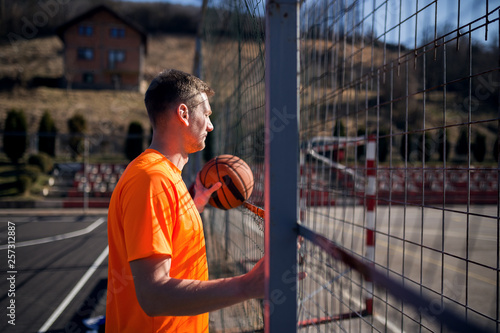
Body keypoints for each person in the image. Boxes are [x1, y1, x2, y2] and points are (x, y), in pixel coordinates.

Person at [105, 69, 264, 332]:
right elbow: (154, 296)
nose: (210, 126)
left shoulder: (167, 177)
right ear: (183, 114)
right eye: (207, 115)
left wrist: (194, 206)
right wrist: (247, 286)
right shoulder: (151, 179)